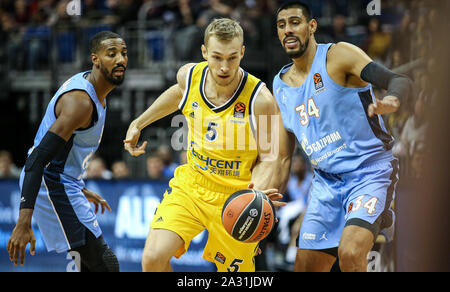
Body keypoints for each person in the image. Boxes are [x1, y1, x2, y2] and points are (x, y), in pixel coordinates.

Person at [124, 18, 293, 272]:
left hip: (236, 198)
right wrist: (140, 122)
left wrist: (257, 193)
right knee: (152, 258)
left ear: (242, 53)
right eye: (216, 57)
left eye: (232, 58)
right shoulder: (189, 75)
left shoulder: (261, 100)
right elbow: (178, 93)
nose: (224, 66)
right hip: (192, 187)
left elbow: (269, 158)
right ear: (204, 53)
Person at [273, 2, 412, 272]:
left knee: (350, 252)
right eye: (281, 25)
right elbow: (281, 158)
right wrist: (268, 197)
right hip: (325, 185)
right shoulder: (279, 86)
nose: (288, 30)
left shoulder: (338, 56)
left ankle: (381, 213)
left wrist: (392, 101)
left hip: (369, 172)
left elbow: (400, 80)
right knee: (304, 267)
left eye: (294, 22)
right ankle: (382, 216)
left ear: (312, 26)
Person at [7, 31, 127, 272]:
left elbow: (62, 152)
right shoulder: (80, 103)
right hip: (49, 183)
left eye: (123, 54)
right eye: (111, 54)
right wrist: (23, 222)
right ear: (95, 59)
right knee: (103, 264)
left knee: (89, 264)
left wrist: (79, 186)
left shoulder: (95, 89)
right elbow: (37, 158)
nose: (120, 60)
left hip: (62, 182)